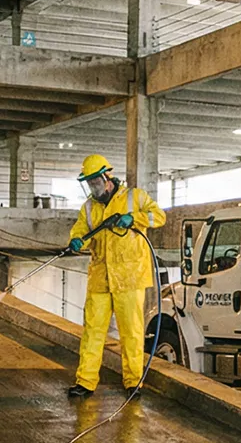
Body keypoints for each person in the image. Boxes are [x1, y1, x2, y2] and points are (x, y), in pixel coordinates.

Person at [65, 154, 166, 398]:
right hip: (101, 277)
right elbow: (79, 231)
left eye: (94, 181)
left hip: (129, 278)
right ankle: (85, 382)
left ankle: (133, 383)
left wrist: (135, 218)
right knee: (92, 332)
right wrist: (76, 241)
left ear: (106, 176)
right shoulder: (89, 207)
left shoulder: (135, 197)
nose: (92, 186)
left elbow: (159, 216)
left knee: (130, 332)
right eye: (88, 182)